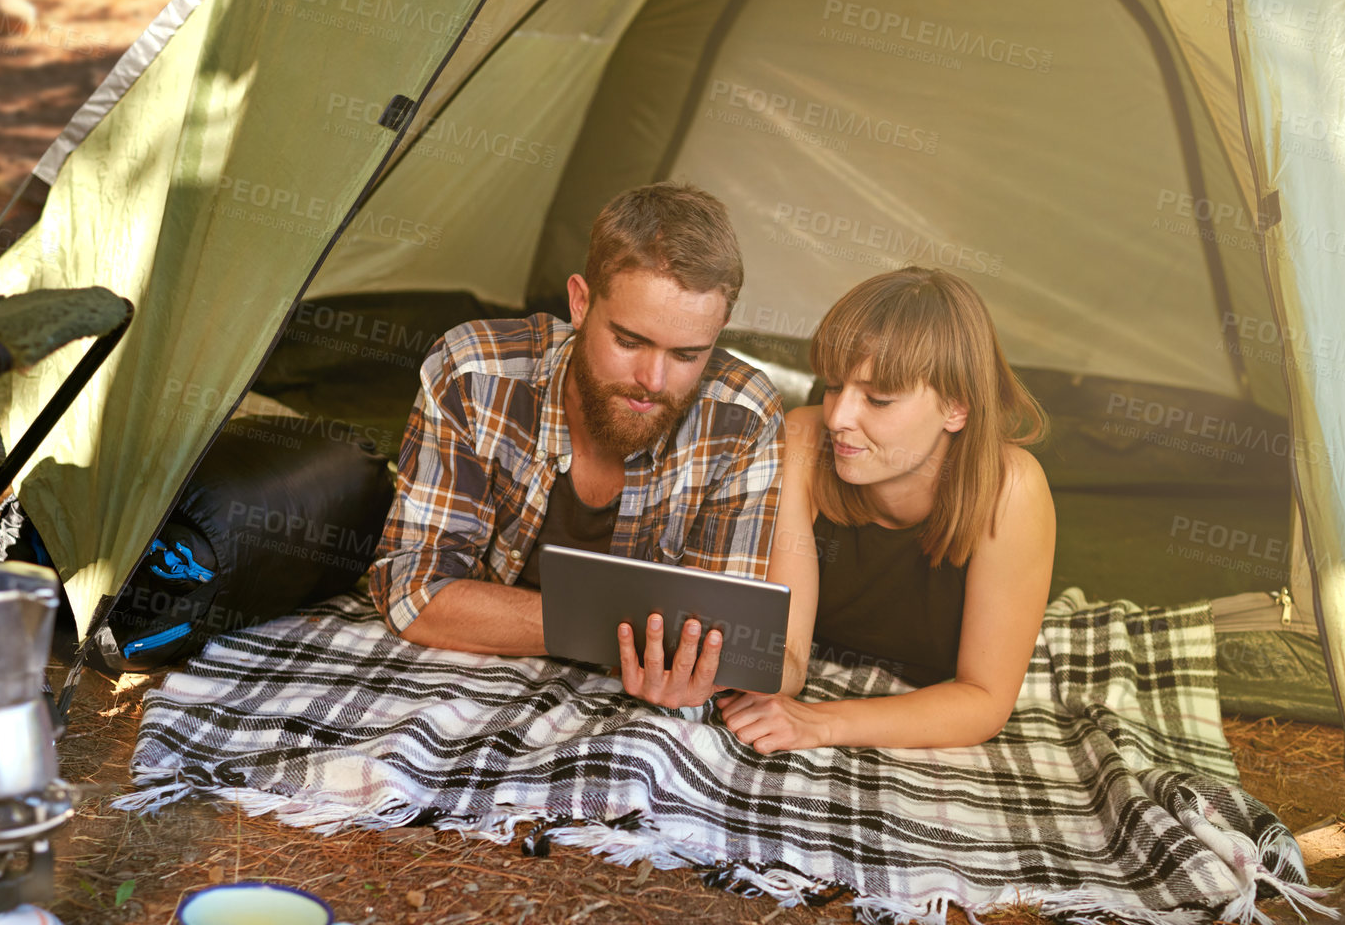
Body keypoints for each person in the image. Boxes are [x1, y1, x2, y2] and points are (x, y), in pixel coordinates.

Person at [369, 183, 784, 709]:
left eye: (687, 355)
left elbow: (717, 646)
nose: (652, 380)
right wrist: (630, 630)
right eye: (629, 341)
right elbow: (412, 594)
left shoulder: (743, 417)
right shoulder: (471, 372)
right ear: (581, 303)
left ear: (719, 332)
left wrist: (686, 661)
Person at [717, 267, 1054, 752]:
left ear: (956, 407)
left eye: (878, 399)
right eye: (833, 387)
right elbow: (785, 657)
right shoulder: (804, 441)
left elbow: (983, 700)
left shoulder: (1011, 489)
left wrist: (821, 724)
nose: (838, 418)